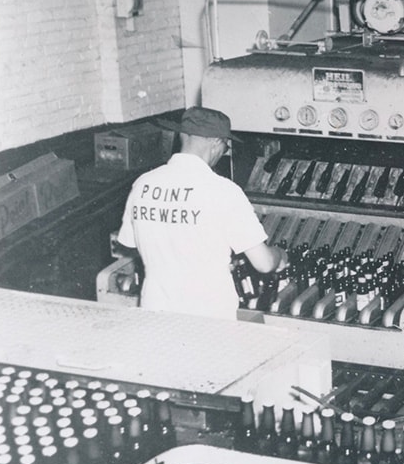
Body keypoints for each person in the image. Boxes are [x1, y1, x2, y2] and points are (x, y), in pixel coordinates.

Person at [116, 106, 287, 320]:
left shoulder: (143, 184)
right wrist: (280, 255)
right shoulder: (224, 191)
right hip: (208, 315)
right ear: (217, 142)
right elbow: (264, 263)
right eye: (226, 145)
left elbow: (136, 244)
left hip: (155, 310)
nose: (224, 151)